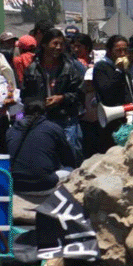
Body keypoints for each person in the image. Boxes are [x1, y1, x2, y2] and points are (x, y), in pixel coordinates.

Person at [21, 28, 85, 165]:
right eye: (55, 43)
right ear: (44, 44)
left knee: (70, 160)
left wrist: (61, 98)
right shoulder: (32, 69)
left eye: (61, 44)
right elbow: (25, 96)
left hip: (66, 121)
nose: (58, 47)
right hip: (41, 121)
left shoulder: (71, 68)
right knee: (46, 160)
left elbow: (79, 94)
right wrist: (38, 104)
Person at [6, 97, 77, 195]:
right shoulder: (53, 128)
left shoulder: (11, 130)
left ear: (24, 112)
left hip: (15, 186)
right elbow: (68, 159)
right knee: (70, 169)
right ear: (45, 112)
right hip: (44, 186)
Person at [90, 34, 133, 154]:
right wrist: (118, 72)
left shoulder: (124, 68)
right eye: (118, 50)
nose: (123, 53)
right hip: (110, 121)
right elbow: (106, 90)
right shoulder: (102, 67)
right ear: (109, 51)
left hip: (125, 116)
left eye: (125, 50)